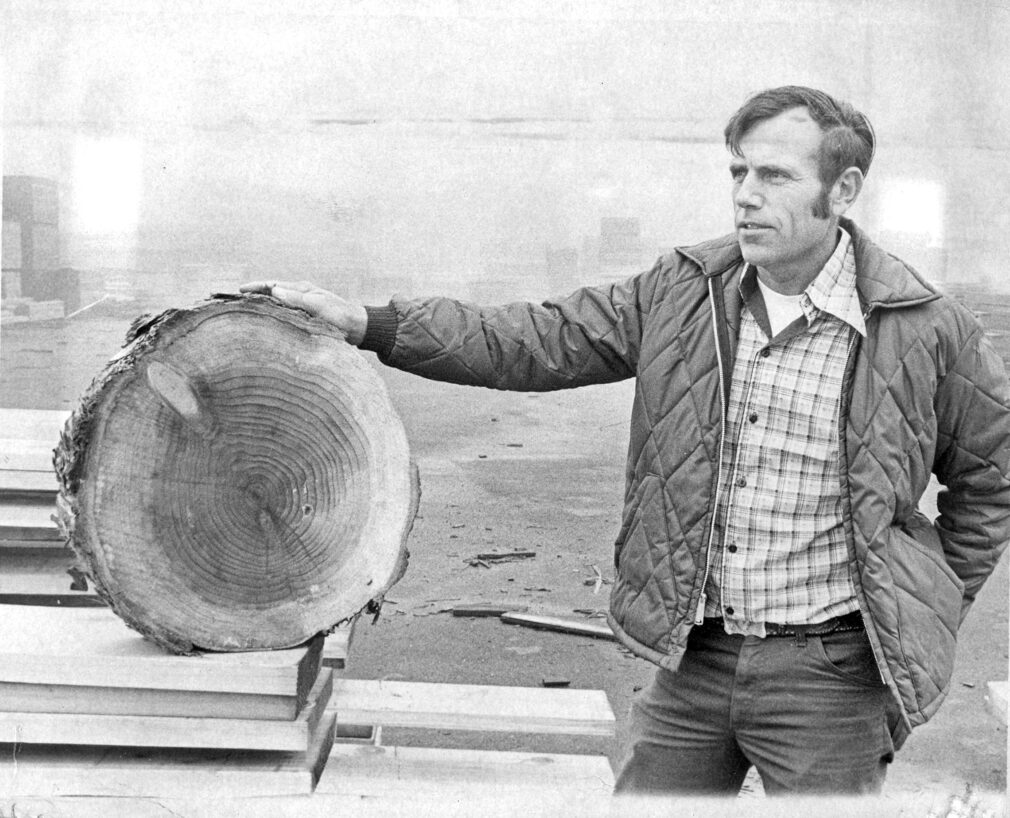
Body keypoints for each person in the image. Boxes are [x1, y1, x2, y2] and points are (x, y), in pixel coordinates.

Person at [241, 85, 1010, 796]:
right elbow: (534, 339)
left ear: (842, 191)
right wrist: (373, 324)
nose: (746, 195)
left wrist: (927, 604)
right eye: (738, 171)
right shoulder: (681, 291)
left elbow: (991, 480)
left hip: (832, 675)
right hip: (694, 662)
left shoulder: (923, 327)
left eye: (774, 176)